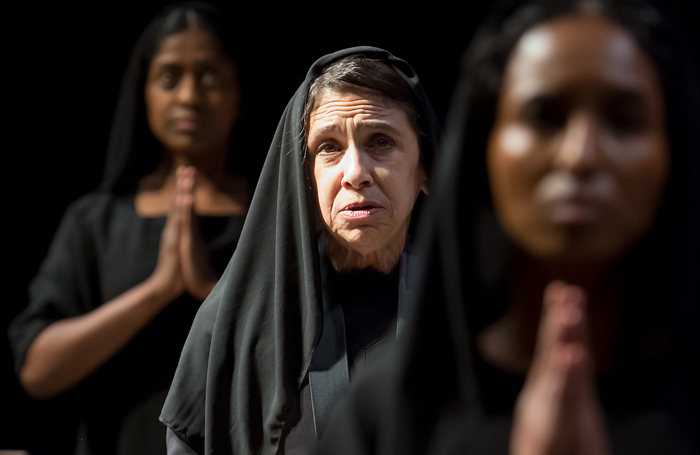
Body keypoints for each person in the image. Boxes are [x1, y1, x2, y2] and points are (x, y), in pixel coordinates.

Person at [313, 0, 700, 454]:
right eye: (544, 116)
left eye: (624, 120)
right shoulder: (390, 411)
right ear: (485, 149)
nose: (581, 154)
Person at [159, 46, 441, 455]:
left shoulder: (466, 310)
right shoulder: (236, 323)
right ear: (303, 177)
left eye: (380, 141)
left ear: (426, 166)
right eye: (328, 147)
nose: (355, 173)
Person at [7, 3, 261, 454]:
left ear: (239, 90)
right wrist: (158, 290)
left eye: (209, 76)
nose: (188, 96)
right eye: (169, 77)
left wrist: (209, 288)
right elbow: (38, 371)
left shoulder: (272, 215)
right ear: (143, 92)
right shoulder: (97, 220)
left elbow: (317, 352)